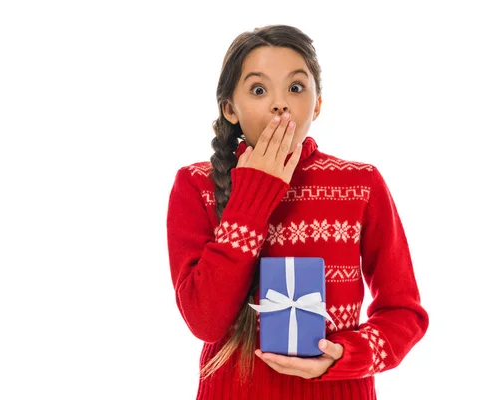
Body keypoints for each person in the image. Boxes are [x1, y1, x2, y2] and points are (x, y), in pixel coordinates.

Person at [165, 24, 428, 400]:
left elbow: (405, 313)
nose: (279, 103)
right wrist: (254, 196)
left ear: (317, 103)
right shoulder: (196, 185)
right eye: (258, 89)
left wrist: (347, 355)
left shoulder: (361, 184)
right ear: (230, 109)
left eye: (296, 87)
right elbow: (205, 321)